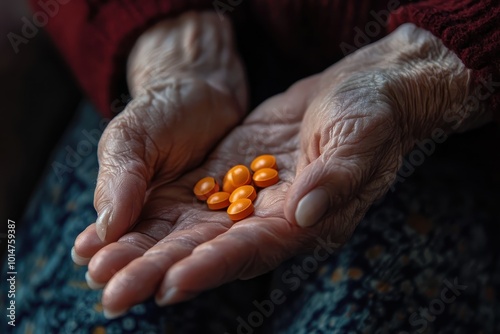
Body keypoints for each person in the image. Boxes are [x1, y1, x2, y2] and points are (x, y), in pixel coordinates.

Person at [3, 0, 499, 332]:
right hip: (181, 88)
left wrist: (435, 63)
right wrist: (169, 38)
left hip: (452, 130)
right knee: (92, 318)